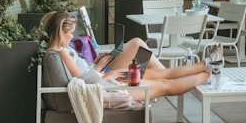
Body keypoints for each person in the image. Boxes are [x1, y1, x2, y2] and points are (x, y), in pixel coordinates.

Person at [43, 11, 210, 102]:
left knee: (159, 75)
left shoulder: (61, 52)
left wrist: (102, 72)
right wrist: (107, 76)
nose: (72, 37)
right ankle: (207, 73)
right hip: (109, 88)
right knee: (164, 84)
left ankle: (202, 67)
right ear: (61, 32)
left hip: (106, 82)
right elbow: (83, 80)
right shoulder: (62, 53)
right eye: (71, 33)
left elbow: (85, 76)